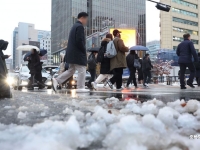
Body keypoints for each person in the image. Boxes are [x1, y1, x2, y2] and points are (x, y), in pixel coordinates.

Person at [52, 12, 89, 92]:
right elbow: (79, 40)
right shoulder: (80, 27)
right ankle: (81, 87)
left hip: (71, 53)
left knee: (71, 70)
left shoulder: (74, 26)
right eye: (86, 19)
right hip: (77, 53)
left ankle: (57, 80)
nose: (86, 21)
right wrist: (83, 50)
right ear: (82, 18)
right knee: (82, 69)